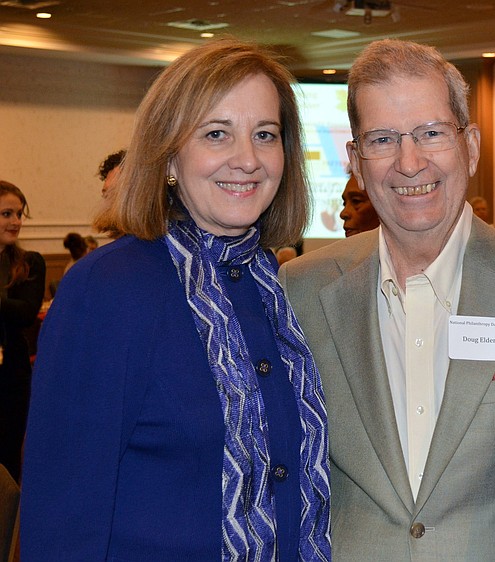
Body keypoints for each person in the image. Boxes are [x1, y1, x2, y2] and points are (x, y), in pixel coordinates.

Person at [22, 39, 331, 560]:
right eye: (217, 134)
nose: (248, 160)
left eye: (265, 135)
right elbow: (63, 512)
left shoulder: (271, 284)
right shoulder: (109, 289)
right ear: (168, 155)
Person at [279, 39, 495, 560]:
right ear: (356, 162)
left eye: (431, 134)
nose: (409, 163)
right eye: (382, 139)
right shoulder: (300, 290)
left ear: (470, 147)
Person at [0, 181, 45, 484]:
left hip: (10, 379)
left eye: (19, 214)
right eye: (7, 213)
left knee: (6, 461)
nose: (16, 222)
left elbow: (26, 312)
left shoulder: (29, 263)